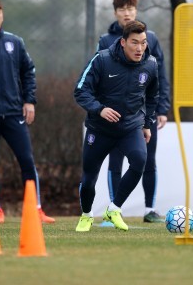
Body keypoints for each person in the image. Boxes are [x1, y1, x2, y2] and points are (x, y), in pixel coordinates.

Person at [0, 0, 55, 224]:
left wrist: (29, 101)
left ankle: (35, 208)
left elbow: (28, 72)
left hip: (14, 112)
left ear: (2, 15)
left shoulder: (15, 43)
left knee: (26, 160)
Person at [74, 20, 159, 232]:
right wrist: (100, 109)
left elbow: (152, 96)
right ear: (123, 42)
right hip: (99, 129)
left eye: (143, 43)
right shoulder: (102, 60)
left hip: (130, 127)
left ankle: (114, 209)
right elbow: (81, 90)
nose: (140, 48)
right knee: (89, 179)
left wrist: (147, 124)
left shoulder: (151, 64)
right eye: (134, 43)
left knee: (140, 160)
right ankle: (86, 215)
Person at [97, 0, 170, 223]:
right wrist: (101, 109)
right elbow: (97, 78)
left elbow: (160, 77)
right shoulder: (106, 40)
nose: (126, 13)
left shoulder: (152, 39)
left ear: (136, 11)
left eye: (130, 9)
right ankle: (113, 211)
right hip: (116, 115)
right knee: (115, 161)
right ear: (115, 13)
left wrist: (161, 108)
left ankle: (149, 209)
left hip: (144, 114)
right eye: (122, 9)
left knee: (148, 159)